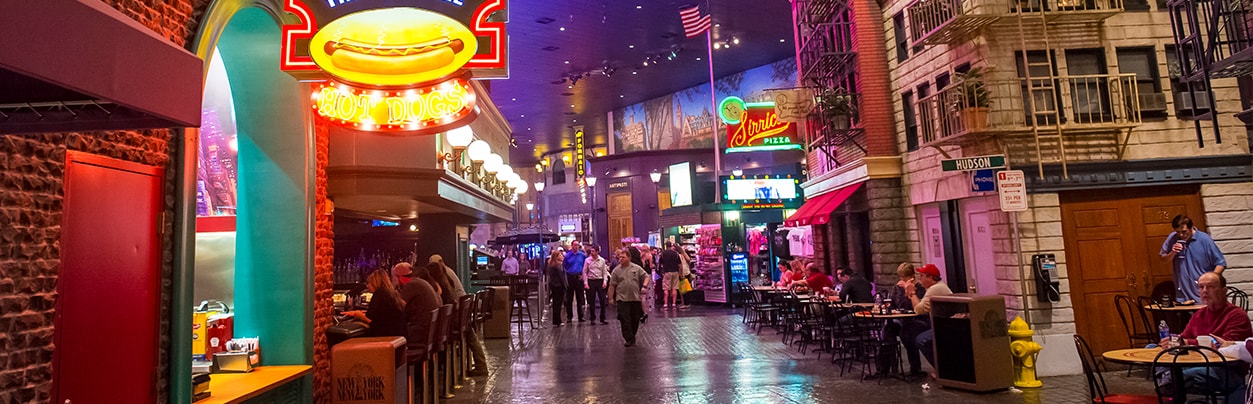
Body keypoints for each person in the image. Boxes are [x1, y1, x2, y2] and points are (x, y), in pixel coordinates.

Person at [1152, 272, 1250, 402]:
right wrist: (1172, 341)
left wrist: (1187, 342)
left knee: (1186, 375)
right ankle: (1169, 380)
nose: (1204, 291)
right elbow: (1184, 337)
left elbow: (1225, 346)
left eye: (1210, 287)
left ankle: (1168, 381)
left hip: (1226, 370)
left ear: (1224, 290)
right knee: (1153, 348)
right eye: (1201, 287)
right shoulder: (1199, 314)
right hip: (1197, 363)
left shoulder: (1237, 315)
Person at [428, 254, 489, 375]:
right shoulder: (447, 273)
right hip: (462, 310)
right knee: (471, 336)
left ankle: (437, 368)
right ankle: (481, 365)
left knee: (461, 335)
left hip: (459, 312)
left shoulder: (443, 276)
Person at [1160, 215, 1227, 303]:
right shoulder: (1173, 238)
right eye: (1178, 232)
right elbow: (1163, 259)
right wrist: (1173, 252)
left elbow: (1221, 263)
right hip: (1182, 294)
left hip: (1202, 294)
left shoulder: (1204, 239)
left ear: (1191, 227)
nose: (1181, 235)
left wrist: (1209, 280)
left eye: (1184, 231)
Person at [395, 263, 444, 378]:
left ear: (399, 277)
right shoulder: (419, 282)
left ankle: (399, 384)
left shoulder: (412, 285)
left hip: (422, 333)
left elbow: (398, 306)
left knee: (394, 341)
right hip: (431, 332)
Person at [905, 263, 953, 377]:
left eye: (922, 276)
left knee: (922, 340)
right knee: (907, 331)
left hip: (947, 327)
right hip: (939, 324)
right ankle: (915, 367)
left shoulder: (936, 289)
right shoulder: (935, 287)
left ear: (930, 278)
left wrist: (912, 293)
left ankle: (943, 370)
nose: (920, 279)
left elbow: (919, 309)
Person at [883, 263, 930, 378]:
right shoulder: (896, 288)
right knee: (888, 329)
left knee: (907, 332)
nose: (903, 280)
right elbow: (894, 305)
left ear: (912, 276)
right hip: (901, 319)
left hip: (919, 319)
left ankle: (915, 368)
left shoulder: (920, 288)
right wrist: (889, 308)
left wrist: (907, 290)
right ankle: (885, 368)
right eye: (901, 277)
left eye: (905, 277)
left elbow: (915, 307)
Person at [344, 269, 407, 338]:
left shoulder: (379, 294)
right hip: (399, 334)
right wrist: (361, 312)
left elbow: (369, 319)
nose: (367, 286)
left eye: (369, 283)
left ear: (375, 282)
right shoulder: (391, 293)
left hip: (386, 335)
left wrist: (358, 315)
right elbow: (382, 314)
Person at [609, 247, 649, 347]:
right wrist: (610, 298)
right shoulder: (616, 271)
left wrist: (644, 286)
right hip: (622, 299)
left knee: (635, 319)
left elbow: (646, 277)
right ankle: (628, 338)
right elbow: (612, 285)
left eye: (623, 257)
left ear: (629, 258)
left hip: (635, 298)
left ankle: (632, 335)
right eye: (619, 258)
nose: (620, 259)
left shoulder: (636, 268)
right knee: (624, 319)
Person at [583, 245, 611, 324]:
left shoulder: (602, 260)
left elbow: (604, 272)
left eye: (593, 251)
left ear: (597, 252)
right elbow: (584, 272)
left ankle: (603, 318)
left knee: (602, 300)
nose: (591, 253)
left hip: (600, 280)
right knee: (591, 301)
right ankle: (592, 319)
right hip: (591, 281)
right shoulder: (587, 260)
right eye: (591, 251)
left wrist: (605, 282)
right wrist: (586, 283)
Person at [563, 241, 588, 322]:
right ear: (572, 246)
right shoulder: (567, 256)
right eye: (575, 245)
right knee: (569, 298)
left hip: (579, 277)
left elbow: (585, 266)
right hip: (570, 277)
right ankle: (569, 316)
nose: (576, 246)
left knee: (579, 297)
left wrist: (583, 275)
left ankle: (581, 316)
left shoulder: (582, 255)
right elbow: (564, 267)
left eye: (577, 245)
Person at [546, 250, 568, 327]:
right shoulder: (557, 266)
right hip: (558, 286)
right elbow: (561, 277)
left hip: (554, 286)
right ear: (557, 257)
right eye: (560, 255)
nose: (562, 256)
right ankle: (558, 321)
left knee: (556, 303)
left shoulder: (552, 265)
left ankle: (556, 320)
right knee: (558, 304)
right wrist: (565, 286)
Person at [658, 242, 683, 309]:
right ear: (671, 246)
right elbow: (680, 265)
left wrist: (661, 272)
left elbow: (660, 264)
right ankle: (674, 304)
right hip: (675, 272)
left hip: (667, 272)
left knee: (666, 288)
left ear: (666, 246)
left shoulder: (663, 254)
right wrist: (681, 272)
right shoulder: (676, 254)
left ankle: (665, 304)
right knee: (674, 288)